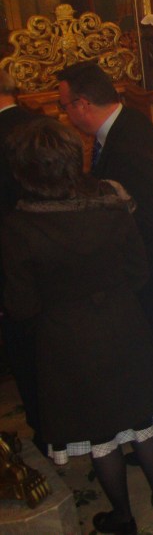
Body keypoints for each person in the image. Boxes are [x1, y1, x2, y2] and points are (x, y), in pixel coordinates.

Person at [2, 118, 153, 534]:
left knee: (102, 435)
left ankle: (123, 517)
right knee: (141, 420)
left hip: (68, 338)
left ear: (23, 170)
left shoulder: (17, 227)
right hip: (124, 323)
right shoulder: (110, 203)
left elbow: (21, 305)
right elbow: (138, 272)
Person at [57, 61, 153, 457]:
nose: (65, 114)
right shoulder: (129, 126)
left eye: (65, 105)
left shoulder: (128, 142)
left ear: (83, 104)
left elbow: (147, 215)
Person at [0, 71, 40, 450]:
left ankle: (42, 426)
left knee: (25, 349)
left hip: (12, 252)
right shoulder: (38, 123)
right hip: (51, 246)